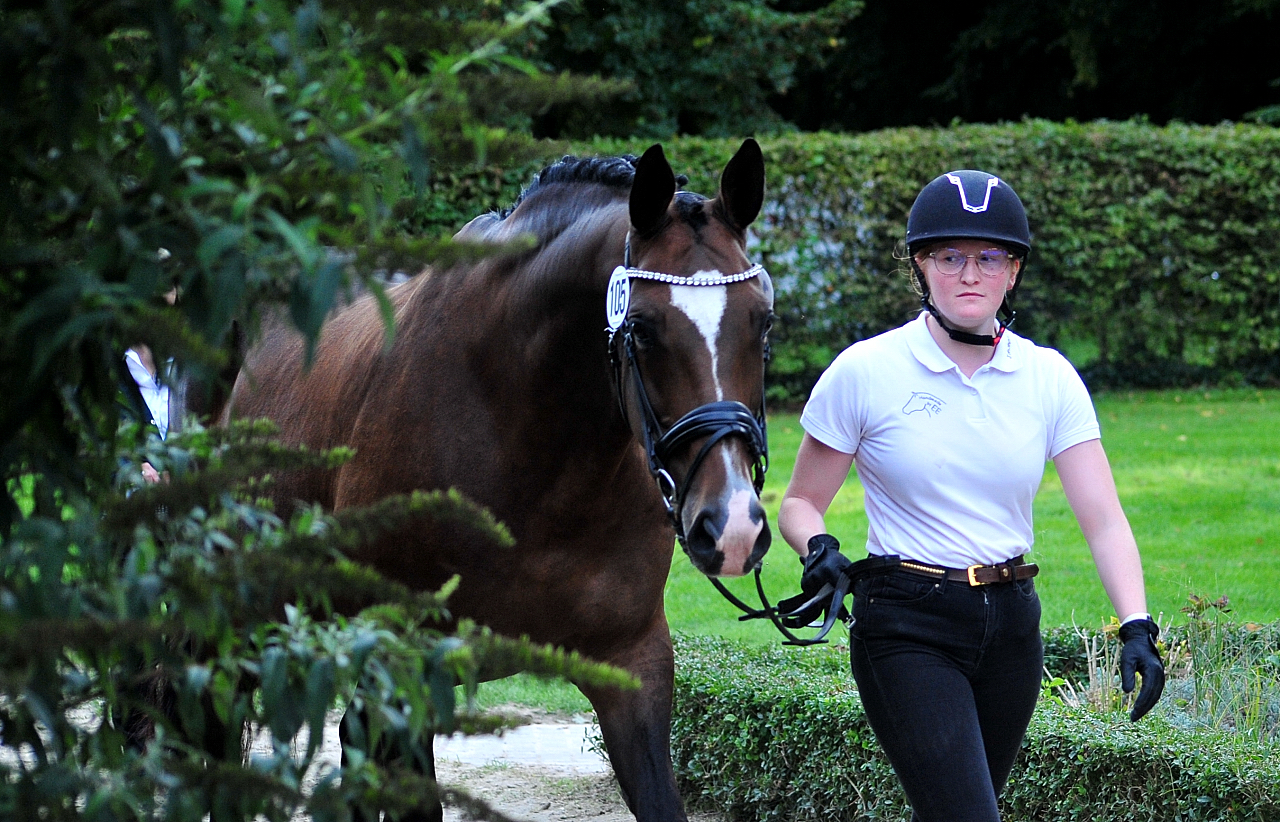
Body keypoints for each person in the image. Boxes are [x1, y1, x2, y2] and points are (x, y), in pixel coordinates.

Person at [776, 170, 1165, 822]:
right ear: (921, 267)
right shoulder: (866, 371)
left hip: (1014, 625)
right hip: (906, 624)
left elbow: (1103, 518)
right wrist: (818, 547)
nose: (969, 274)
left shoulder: (1047, 378)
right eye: (950, 256)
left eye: (989, 257)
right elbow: (798, 502)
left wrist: (1136, 626)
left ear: (1013, 272)